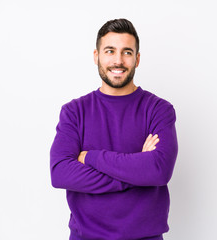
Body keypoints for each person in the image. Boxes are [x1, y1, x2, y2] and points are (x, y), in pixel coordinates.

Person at [50, 18, 178, 240]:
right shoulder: (74, 112)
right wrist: (137, 169)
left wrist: (92, 157)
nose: (118, 60)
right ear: (96, 56)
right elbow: (60, 173)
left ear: (137, 59)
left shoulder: (159, 110)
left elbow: (159, 170)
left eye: (127, 52)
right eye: (110, 51)